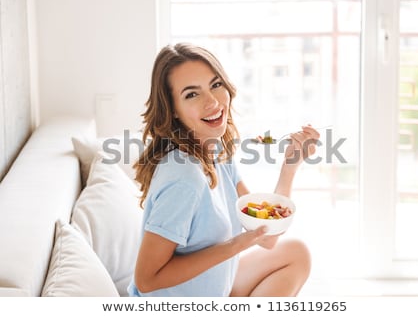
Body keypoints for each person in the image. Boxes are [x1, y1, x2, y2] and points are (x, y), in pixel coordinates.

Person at [128, 42, 320, 297]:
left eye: (216, 85)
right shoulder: (184, 179)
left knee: (296, 253)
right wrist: (234, 246)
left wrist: (289, 167)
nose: (213, 102)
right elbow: (146, 280)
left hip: (214, 289)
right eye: (192, 94)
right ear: (172, 109)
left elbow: (266, 236)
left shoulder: (216, 151)